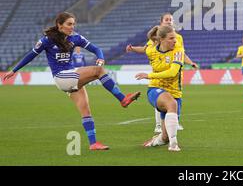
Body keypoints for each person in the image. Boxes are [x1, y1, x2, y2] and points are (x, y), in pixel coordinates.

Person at [1, 12, 141, 151]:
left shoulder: (76, 38)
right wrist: (14, 70)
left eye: (73, 24)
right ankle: (123, 99)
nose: (72, 27)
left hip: (71, 76)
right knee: (98, 71)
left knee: (86, 110)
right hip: (61, 77)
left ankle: (93, 144)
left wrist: (100, 57)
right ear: (59, 25)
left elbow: (96, 49)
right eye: (69, 24)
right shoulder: (47, 40)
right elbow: (31, 55)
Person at [126, 12, 197, 133]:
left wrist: (190, 62)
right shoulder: (157, 37)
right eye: (166, 19)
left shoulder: (178, 38)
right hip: (159, 74)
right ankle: (159, 125)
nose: (169, 21)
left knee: (174, 99)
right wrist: (133, 48)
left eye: (171, 19)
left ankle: (172, 125)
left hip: (173, 72)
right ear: (161, 22)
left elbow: (181, 53)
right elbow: (146, 49)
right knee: (161, 98)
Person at [135, 25, 183, 152]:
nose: (175, 41)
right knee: (171, 103)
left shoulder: (178, 51)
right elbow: (143, 49)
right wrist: (131, 48)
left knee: (165, 137)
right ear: (161, 39)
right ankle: (174, 145)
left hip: (175, 93)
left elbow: (172, 72)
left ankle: (154, 141)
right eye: (171, 38)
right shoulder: (151, 50)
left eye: (175, 38)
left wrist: (148, 75)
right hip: (155, 89)